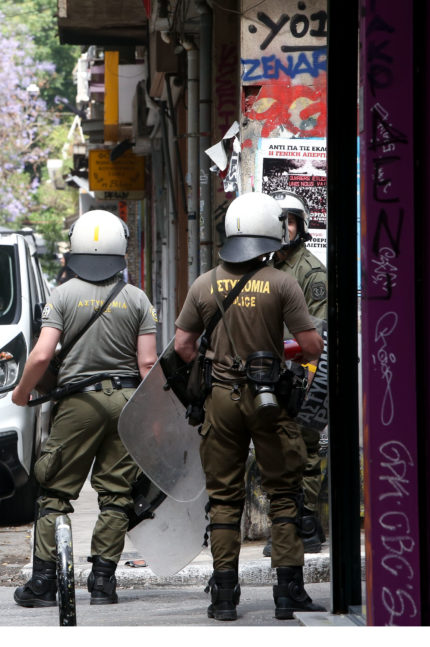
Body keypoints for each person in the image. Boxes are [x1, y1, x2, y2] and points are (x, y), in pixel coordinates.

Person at [173, 192, 324, 621]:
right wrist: (278, 352)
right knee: (284, 492)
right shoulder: (282, 282)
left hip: (220, 400)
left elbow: (183, 345)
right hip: (269, 399)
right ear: (271, 232)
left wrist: (214, 360)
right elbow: (312, 345)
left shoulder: (204, 284)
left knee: (224, 498)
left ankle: (223, 595)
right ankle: (287, 593)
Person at [11, 210, 158, 608]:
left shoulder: (62, 295)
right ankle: (102, 583)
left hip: (78, 404)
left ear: (75, 247)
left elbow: (42, 355)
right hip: (127, 403)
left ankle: (43, 582)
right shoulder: (137, 298)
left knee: (55, 490)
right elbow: (148, 365)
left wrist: (21, 393)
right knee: (116, 494)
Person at [263, 189, 328, 557]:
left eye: (289, 221)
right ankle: (289, 524)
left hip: (302, 374)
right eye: (278, 221)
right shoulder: (267, 267)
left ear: (299, 226)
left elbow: (316, 332)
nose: (283, 228)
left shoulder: (310, 272)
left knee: (302, 451)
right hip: (273, 372)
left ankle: (304, 525)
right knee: (277, 451)